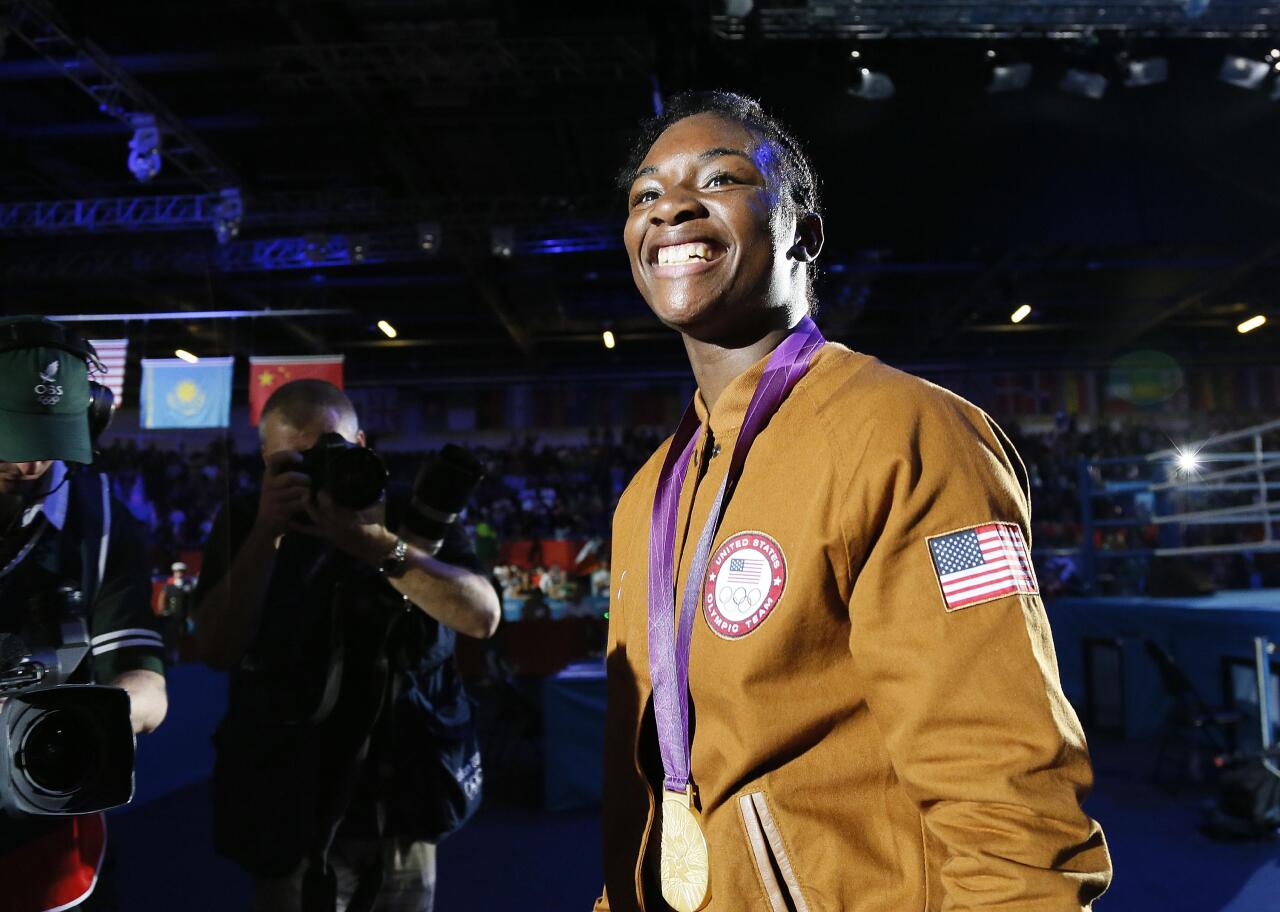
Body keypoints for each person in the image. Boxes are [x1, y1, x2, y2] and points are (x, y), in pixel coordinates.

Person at [594, 92, 1111, 912]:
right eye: (645, 194)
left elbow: (1003, 783)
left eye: (720, 179)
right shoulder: (646, 497)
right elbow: (645, 789)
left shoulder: (907, 433)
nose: (671, 207)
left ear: (804, 232)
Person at [194, 379, 500, 912]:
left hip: (400, 801)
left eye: (332, 452)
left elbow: (481, 617)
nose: (320, 472)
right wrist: (267, 532)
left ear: (360, 444)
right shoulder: (247, 517)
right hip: (288, 807)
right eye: (299, 462)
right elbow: (216, 649)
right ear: (267, 459)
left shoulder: (405, 511)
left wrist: (376, 545)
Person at [0, 315, 168, 912]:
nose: (30, 466)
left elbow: (147, 687)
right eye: (12, 438)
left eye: (49, 442)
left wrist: (69, 720)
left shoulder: (101, 520)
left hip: (51, 847)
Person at [156, 560, 194, 660]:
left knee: (183, 636)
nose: (179, 574)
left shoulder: (188, 585)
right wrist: (163, 611)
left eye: (181, 572)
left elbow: (190, 601)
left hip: (183, 616)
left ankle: (183, 656)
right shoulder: (169, 586)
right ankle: (171, 655)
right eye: (177, 572)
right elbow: (162, 599)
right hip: (171, 616)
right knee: (171, 637)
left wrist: (191, 615)